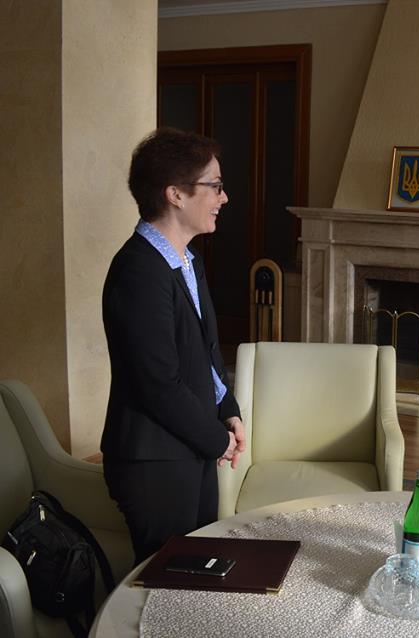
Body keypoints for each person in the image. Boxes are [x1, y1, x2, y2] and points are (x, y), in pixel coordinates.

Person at [101, 128, 246, 565]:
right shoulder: (138, 272)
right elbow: (157, 384)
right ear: (175, 194)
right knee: (166, 582)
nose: (223, 197)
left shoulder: (187, 260)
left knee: (196, 576)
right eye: (215, 186)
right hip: (154, 461)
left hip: (190, 448)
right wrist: (216, 439)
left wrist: (228, 409)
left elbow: (206, 352)